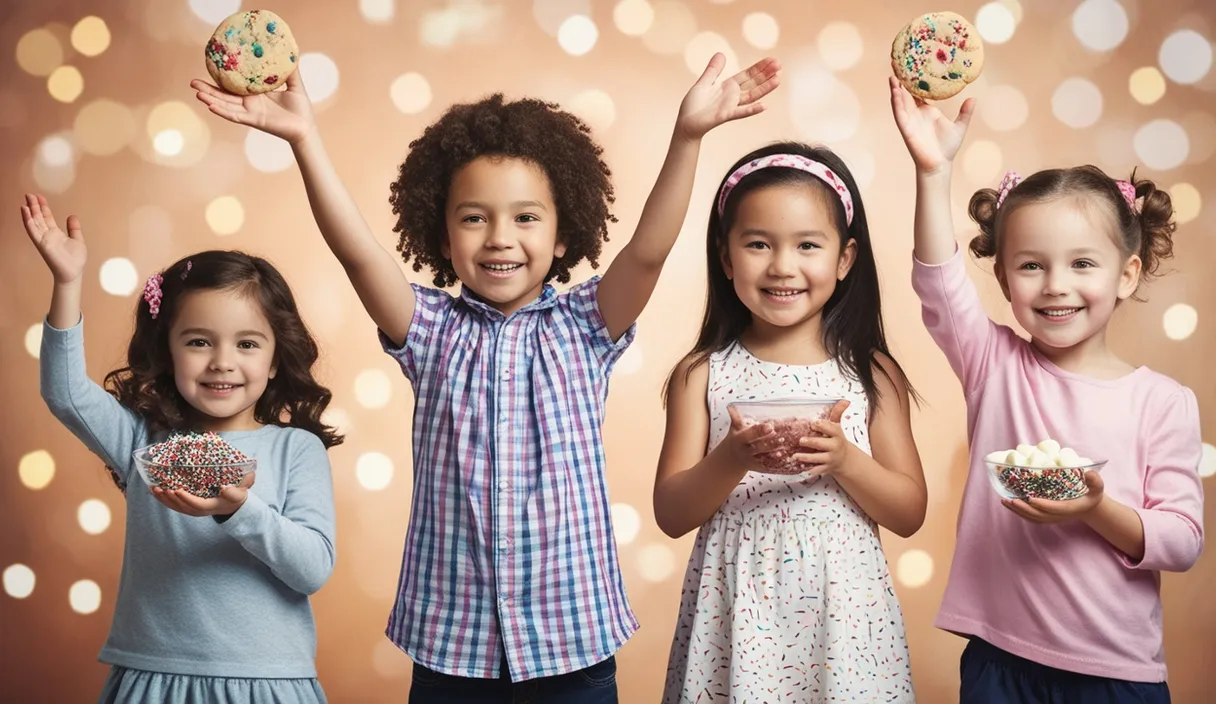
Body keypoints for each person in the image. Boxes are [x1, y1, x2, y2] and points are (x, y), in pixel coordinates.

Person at [192, 52, 780, 701]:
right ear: (443, 236)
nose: (500, 237)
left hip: (570, 644)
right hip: (451, 650)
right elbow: (357, 252)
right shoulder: (431, 329)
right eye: (474, 218)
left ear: (563, 236)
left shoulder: (588, 324)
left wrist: (687, 136)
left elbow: (649, 248)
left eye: (526, 217)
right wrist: (305, 140)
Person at [890, 75, 1203, 703]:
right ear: (1004, 278)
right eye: (1032, 265)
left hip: (1117, 674)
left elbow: (1182, 539)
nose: (1056, 285)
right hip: (999, 659)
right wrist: (932, 172)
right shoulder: (994, 364)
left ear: (1126, 273)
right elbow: (939, 284)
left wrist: (1094, 509)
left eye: (1083, 263)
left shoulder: (1162, 401)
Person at [23, 194, 342, 703]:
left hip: (270, 682)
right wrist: (67, 282)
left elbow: (311, 569)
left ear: (277, 359)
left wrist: (239, 509)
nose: (222, 362)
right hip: (153, 678)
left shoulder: (296, 449)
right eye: (198, 342)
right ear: (167, 352)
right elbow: (64, 393)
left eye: (247, 344)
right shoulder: (142, 440)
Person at [655, 142, 926, 702]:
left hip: (845, 621)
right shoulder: (702, 374)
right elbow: (671, 514)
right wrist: (730, 458)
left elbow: (909, 513)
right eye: (757, 244)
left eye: (808, 245)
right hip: (735, 609)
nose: (782, 266)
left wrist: (847, 461)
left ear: (844, 259)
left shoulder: (870, 374)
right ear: (727, 258)